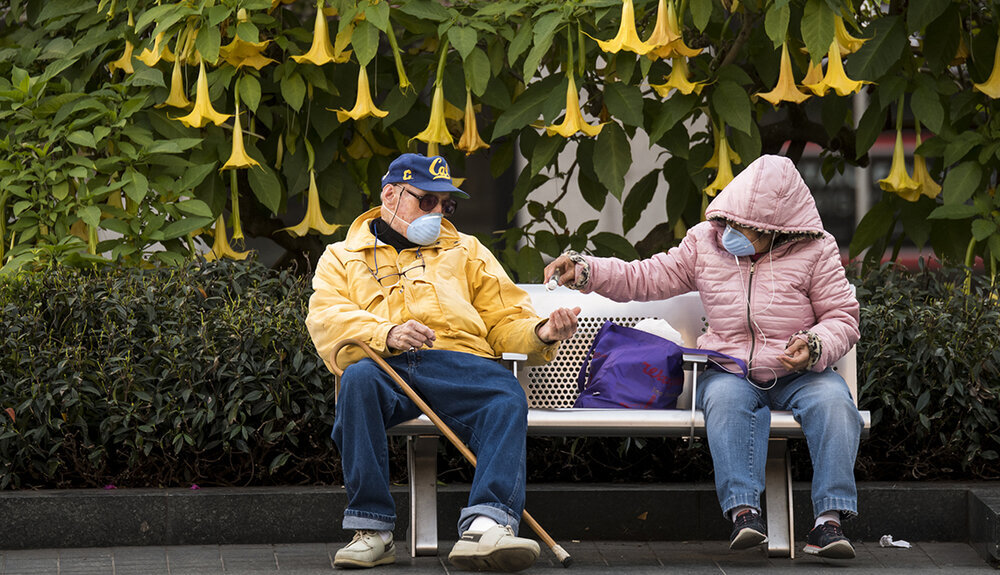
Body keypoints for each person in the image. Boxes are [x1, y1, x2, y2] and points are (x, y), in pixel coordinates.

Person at [544, 154, 863, 559]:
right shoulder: (705, 241)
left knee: (835, 403)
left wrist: (814, 345)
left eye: (745, 227)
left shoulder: (816, 250)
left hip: (802, 373)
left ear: (777, 229)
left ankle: (828, 523)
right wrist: (587, 270)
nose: (731, 231)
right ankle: (744, 514)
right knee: (724, 401)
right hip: (729, 370)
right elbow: (647, 276)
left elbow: (842, 317)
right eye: (730, 220)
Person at [306, 153, 580, 571]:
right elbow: (326, 317)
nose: (437, 213)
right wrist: (387, 334)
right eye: (427, 201)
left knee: (506, 395)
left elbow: (505, 318)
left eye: (447, 205)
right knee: (359, 380)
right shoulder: (341, 256)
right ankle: (373, 529)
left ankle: (488, 526)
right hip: (387, 366)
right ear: (390, 195)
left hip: (460, 365)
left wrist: (541, 332)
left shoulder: (468, 250)